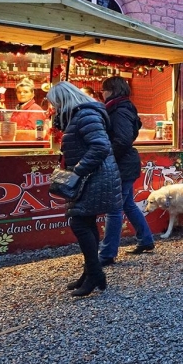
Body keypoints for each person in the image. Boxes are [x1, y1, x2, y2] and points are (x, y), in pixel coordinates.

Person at [47, 81, 122, 297]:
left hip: (94, 176)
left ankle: (95, 274)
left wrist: (78, 170)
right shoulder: (80, 114)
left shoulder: (85, 114)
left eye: (55, 103)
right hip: (94, 175)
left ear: (64, 100)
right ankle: (89, 273)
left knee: (79, 222)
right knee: (85, 221)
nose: (54, 108)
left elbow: (100, 146)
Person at [97, 76, 155, 266]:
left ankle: (107, 254)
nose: (102, 94)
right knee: (128, 204)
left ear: (111, 90)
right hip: (126, 163)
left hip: (121, 165)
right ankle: (145, 239)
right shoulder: (124, 107)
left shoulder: (119, 109)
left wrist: (108, 157)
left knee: (114, 209)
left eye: (103, 90)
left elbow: (123, 140)